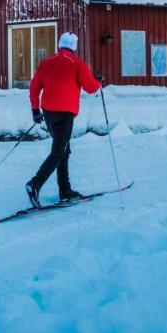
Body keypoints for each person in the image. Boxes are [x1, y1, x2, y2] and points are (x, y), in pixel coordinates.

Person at [25, 31, 101, 208]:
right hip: (65, 113)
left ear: (59, 44)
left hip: (49, 113)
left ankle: (65, 190)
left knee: (63, 150)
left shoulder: (47, 62)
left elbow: (34, 87)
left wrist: (35, 109)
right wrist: (98, 81)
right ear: (74, 46)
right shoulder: (77, 63)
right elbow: (91, 88)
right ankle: (34, 184)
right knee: (59, 151)